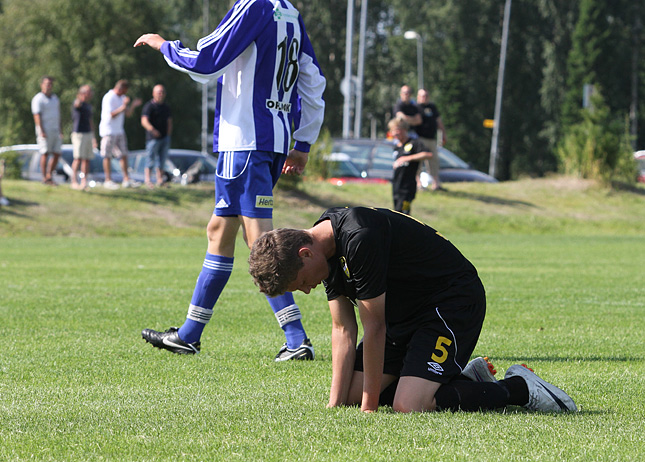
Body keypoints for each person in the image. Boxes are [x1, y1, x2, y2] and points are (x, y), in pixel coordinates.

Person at [133, 0, 326, 361]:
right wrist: (302, 141)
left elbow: (207, 62)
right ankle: (189, 334)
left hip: (244, 144)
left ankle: (297, 338)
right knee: (219, 231)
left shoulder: (253, 6)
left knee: (261, 241)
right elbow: (313, 80)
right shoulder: (290, 13)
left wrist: (164, 46)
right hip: (271, 142)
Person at [248, 206, 578, 414]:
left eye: (301, 283)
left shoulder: (358, 237)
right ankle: (459, 379)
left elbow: (373, 327)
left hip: (450, 302)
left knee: (410, 405)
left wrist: (369, 409)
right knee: (349, 393)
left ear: (306, 254)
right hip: (402, 317)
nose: (307, 289)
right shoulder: (325, 252)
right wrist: (335, 405)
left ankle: (518, 388)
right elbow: (343, 330)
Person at [99, 80, 142, 189]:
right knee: (107, 155)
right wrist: (123, 106)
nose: (125, 93)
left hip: (119, 130)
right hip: (108, 131)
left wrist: (132, 105)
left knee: (124, 154)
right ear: (121, 88)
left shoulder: (122, 98)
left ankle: (126, 179)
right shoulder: (109, 97)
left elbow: (127, 114)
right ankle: (108, 180)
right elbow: (111, 115)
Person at [388, 118, 432, 215]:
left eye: (396, 130)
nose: (394, 133)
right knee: (396, 213)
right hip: (396, 186)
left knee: (404, 213)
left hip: (407, 187)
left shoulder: (414, 143)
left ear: (404, 129)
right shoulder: (397, 147)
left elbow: (428, 154)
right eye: (392, 130)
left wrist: (407, 158)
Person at [31, 76, 62, 185]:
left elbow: (58, 115)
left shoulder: (55, 98)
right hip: (45, 130)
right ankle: (44, 178)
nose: (49, 86)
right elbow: (37, 115)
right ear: (42, 85)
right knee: (45, 153)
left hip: (55, 130)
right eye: (46, 83)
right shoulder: (38, 99)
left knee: (57, 153)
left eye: (50, 84)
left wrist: (60, 130)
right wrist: (41, 130)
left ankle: (49, 175)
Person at [141, 84, 172, 188]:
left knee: (162, 160)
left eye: (162, 92)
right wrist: (152, 130)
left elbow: (169, 121)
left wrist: (168, 134)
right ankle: (148, 180)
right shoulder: (149, 106)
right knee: (150, 159)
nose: (161, 94)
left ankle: (160, 180)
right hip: (153, 139)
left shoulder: (166, 107)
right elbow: (144, 121)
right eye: (159, 92)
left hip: (164, 138)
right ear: (153, 93)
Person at [415, 88, 447, 191]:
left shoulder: (432, 107)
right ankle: (418, 184)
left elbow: (438, 121)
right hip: (419, 138)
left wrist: (443, 134)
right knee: (418, 162)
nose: (425, 98)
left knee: (434, 161)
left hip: (431, 139)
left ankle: (435, 184)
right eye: (422, 96)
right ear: (418, 97)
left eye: (426, 95)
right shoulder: (415, 107)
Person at [70, 85, 96, 191]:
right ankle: (74, 181)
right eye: (88, 92)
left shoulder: (88, 106)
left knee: (87, 159)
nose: (90, 94)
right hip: (79, 134)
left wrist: (93, 136)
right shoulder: (78, 103)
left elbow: (90, 121)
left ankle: (84, 182)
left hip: (88, 133)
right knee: (78, 158)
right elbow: (77, 103)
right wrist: (81, 95)